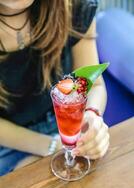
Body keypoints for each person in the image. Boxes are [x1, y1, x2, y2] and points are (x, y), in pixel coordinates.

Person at [0, 0, 109, 176]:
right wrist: (49, 146)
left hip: (67, 124)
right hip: (8, 141)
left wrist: (92, 115)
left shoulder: (75, 5)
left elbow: (95, 85)